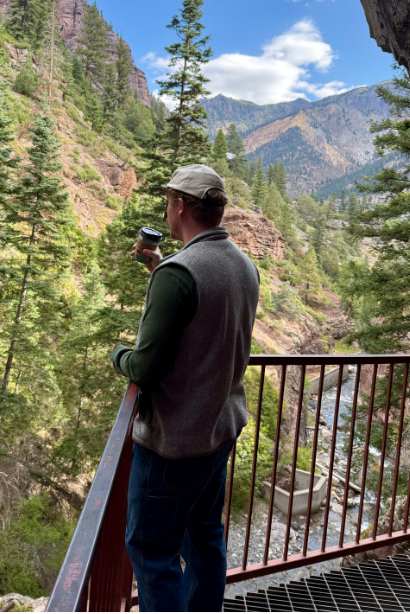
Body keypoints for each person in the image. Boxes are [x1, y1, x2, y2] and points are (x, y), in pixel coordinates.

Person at [111, 166, 260, 613]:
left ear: (178, 206)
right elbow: (207, 324)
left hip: (175, 444)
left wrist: (116, 355)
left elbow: (147, 366)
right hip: (220, 432)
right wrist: (160, 270)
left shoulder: (179, 274)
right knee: (205, 541)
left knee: (150, 551)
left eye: (168, 201)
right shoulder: (243, 265)